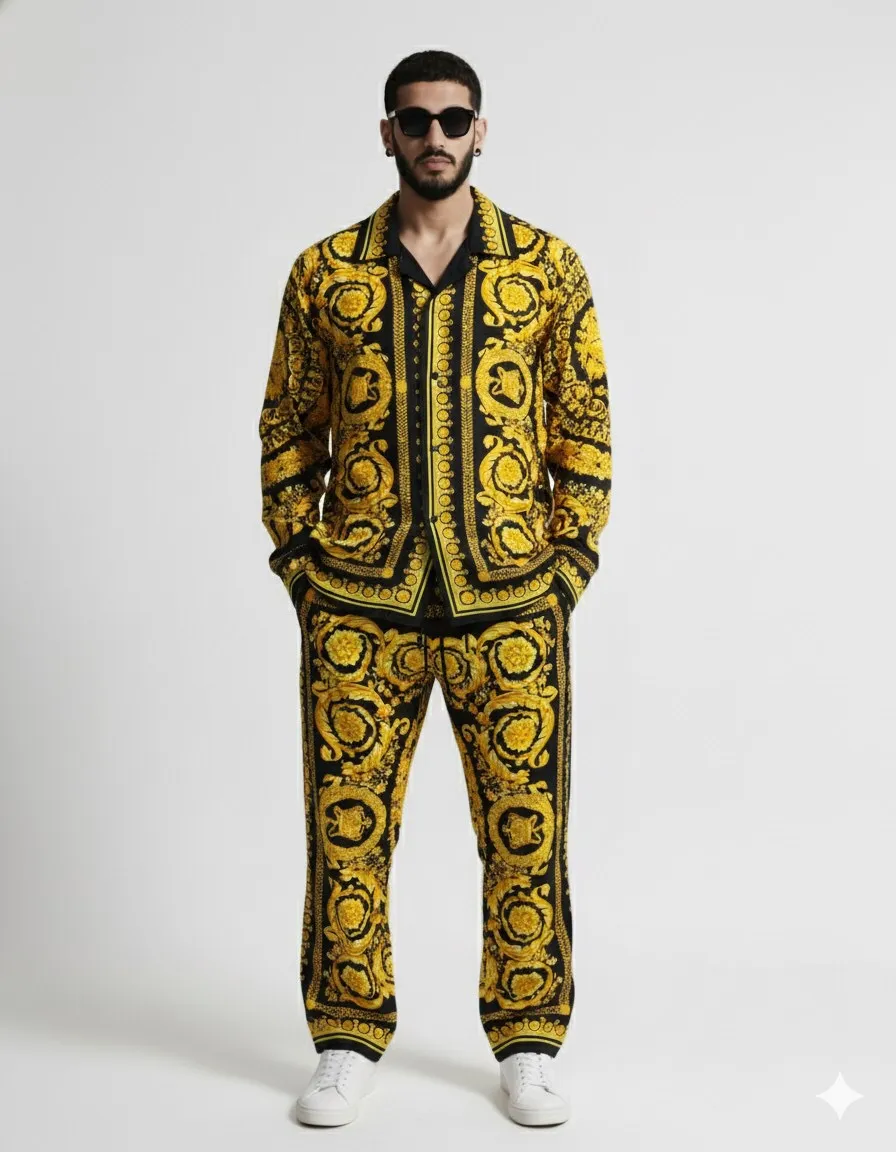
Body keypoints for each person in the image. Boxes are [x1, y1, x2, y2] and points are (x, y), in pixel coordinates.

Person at [258, 48, 612, 1128]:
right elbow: (288, 428)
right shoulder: (326, 273)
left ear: (480, 130)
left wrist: (565, 572)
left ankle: (527, 1042)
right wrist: (304, 571)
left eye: (454, 119)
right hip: (358, 610)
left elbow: (583, 429)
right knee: (347, 834)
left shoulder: (545, 269)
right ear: (387, 134)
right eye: (414, 120)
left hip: (511, 608)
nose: (434, 137)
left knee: (524, 831)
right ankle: (345, 1038)